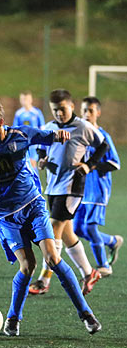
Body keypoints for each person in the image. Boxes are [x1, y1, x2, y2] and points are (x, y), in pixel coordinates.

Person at [0, 98, 102, 336]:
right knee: (27, 266)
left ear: (0, 123)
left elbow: (45, 136)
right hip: (5, 215)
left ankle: (86, 314)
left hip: (33, 205)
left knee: (52, 257)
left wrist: (59, 136)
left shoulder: (21, 134)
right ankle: (13, 318)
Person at [28, 89, 109, 296]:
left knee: (53, 229)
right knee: (67, 234)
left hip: (72, 187)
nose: (59, 114)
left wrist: (89, 165)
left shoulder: (83, 127)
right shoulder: (50, 127)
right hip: (53, 186)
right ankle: (89, 272)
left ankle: (44, 280)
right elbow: (41, 147)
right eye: (55, 110)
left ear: (71, 106)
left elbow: (103, 146)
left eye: (62, 109)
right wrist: (43, 158)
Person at [73, 96, 122, 276]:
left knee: (91, 228)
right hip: (81, 190)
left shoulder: (103, 137)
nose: (86, 114)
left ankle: (104, 265)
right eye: (84, 110)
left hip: (98, 190)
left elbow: (115, 164)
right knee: (77, 229)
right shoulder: (82, 136)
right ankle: (111, 241)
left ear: (98, 113)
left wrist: (91, 166)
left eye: (90, 110)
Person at [13, 90, 45, 169]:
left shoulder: (37, 112)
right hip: (23, 144)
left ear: (31, 100)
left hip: (34, 144)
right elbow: (15, 129)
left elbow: (42, 128)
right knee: (24, 166)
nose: (24, 101)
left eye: (26, 99)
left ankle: (34, 180)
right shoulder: (19, 113)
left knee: (32, 164)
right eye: (23, 99)